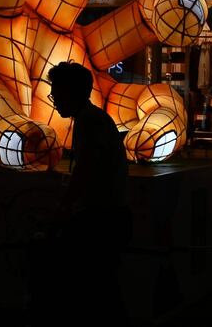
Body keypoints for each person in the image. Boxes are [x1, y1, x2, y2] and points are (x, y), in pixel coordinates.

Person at [27, 61, 132, 326]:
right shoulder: (94, 119)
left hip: (100, 219)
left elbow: (85, 172)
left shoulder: (88, 123)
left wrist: (62, 211)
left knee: (85, 286)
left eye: (56, 94)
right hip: (110, 216)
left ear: (70, 93)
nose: (54, 101)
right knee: (102, 290)